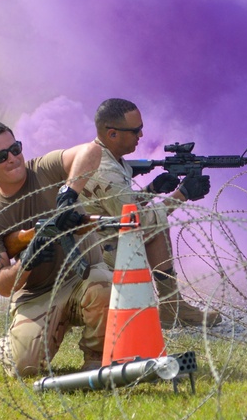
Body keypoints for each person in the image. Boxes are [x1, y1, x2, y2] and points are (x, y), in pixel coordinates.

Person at [0, 121, 112, 378]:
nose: (12, 158)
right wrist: (27, 260)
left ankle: (97, 358)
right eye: (1, 156)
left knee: (104, 284)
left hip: (82, 280)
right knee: (22, 368)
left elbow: (92, 151)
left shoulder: (44, 169)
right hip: (38, 294)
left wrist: (69, 193)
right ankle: (9, 346)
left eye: (15, 149)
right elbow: (2, 286)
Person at [74, 98, 222, 328]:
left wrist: (152, 190)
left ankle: (172, 306)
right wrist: (182, 194)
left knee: (157, 226)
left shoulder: (110, 158)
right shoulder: (106, 170)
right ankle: (172, 307)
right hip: (100, 259)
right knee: (154, 225)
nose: (141, 135)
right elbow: (136, 221)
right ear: (112, 134)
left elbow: (120, 208)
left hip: (104, 240)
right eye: (135, 131)